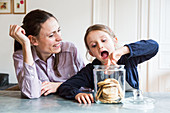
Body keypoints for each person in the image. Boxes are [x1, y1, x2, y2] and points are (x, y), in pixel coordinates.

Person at [57, 24, 159, 104]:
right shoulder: (91, 71)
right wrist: (77, 94)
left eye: (104, 40)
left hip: (132, 105)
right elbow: (65, 87)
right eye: (93, 45)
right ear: (91, 53)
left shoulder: (128, 59)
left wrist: (123, 50)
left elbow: (154, 46)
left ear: (114, 41)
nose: (100, 46)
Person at [9, 9, 85, 99]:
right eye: (51, 35)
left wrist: (59, 86)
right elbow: (31, 93)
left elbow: (88, 86)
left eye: (58, 30)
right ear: (33, 40)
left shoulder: (71, 50)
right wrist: (25, 43)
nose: (59, 38)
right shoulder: (21, 56)